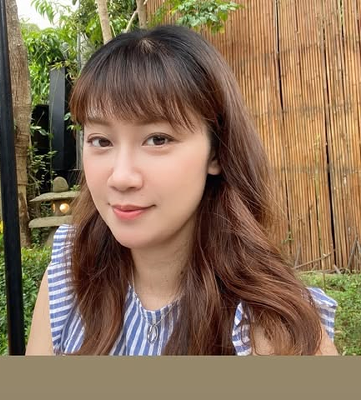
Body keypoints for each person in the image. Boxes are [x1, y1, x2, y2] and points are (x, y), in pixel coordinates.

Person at [26, 25, 338, 356]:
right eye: (101, 141)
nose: (121, 177)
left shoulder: (272, 329)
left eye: (158, 139)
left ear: (216, 152)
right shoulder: (70, 273)